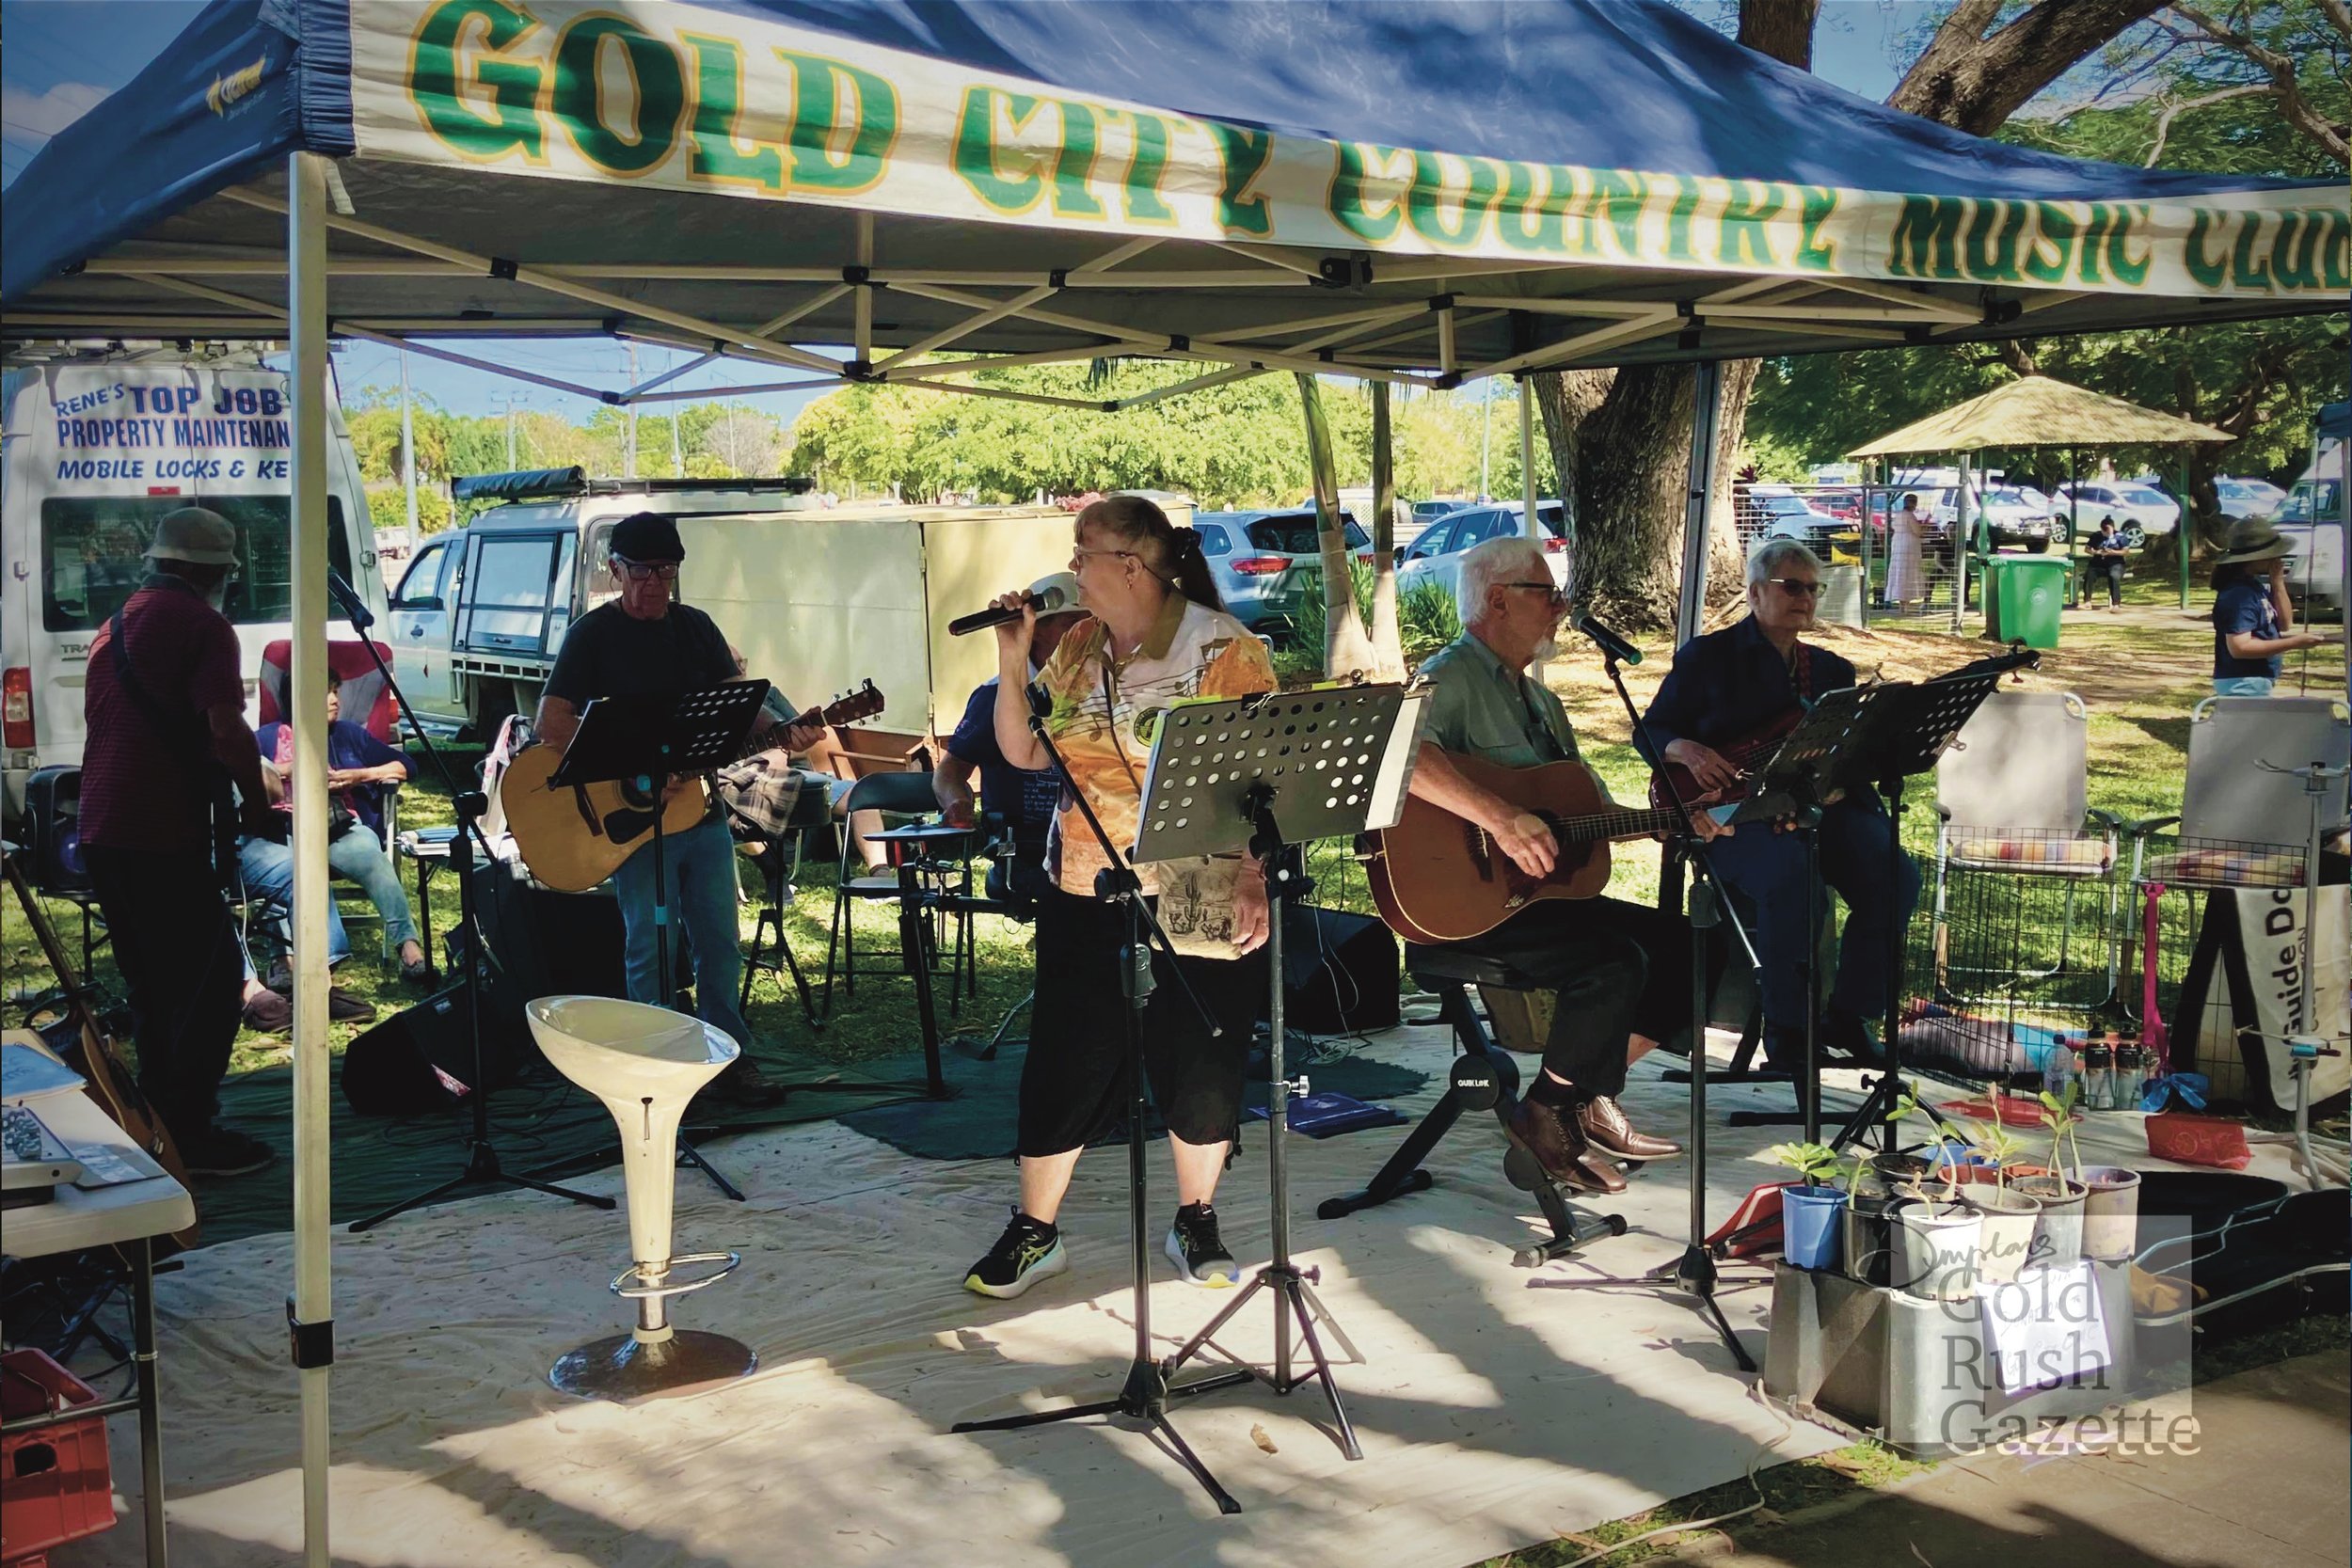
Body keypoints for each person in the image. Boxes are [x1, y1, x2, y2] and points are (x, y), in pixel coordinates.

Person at [961, 497, 1275, 1299]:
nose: (1072, 569)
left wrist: (1246, 877)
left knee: (1198, 1053)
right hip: (1084, 877)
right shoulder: (1079, 651)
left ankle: (1195, 1217)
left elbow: (1256, 781)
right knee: (1068, 1051)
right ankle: (1036, 1229)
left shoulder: (1220, 648)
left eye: (1082, 554)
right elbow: (1025, 752)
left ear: (1130, 566)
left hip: (1196, 876)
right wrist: (1013, 655)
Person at [1406, 536, 1713, 1195]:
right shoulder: (1447, 677)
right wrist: (1499, 819)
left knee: (1689, 951)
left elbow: (1583, 805)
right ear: (1497, 601)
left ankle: (1578, 1095)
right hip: (1468, 901)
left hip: (1538, 898)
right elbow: (1402, 760)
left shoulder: (1541, 702)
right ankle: (1548, 1112)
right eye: (1547, 593)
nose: (1561, 607)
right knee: (1613, 961)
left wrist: (1665, 819)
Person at [534, 512, 824, 1107]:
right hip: (635, 825)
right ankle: (654, 1059)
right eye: (640, 573)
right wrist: (634, 771)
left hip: (701, 811)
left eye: (665, 572)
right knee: (651, 944)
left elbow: (739, 709)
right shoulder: (593, 636)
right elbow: (552, 723)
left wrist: (783, 730)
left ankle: (726, 1057)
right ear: (615, 570)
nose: (653, 585)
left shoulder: (695, 628)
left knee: (719, 938)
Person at [1642, 538, 1921, 1072]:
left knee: (1893, 877)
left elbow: (1843, 749)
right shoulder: (1708, 658)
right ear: (1753, 593)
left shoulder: (1832, 670)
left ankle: (1850, 1015)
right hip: (1728, 817)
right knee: (1795, 879)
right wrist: (1688, 750)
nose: (1805, 599)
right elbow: (1651, 731)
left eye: (1812, 590)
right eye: (1790, 586)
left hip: (1816, 810)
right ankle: (1787, 1029)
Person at [78, 508, 279, 1177]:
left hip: (103, 826)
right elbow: (225, 729)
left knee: (153, 987)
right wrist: (257, 803)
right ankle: (190, 1132)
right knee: (216, 982)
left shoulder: (119, 623)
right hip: (159, 830)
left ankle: (160, 1123)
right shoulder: (204, 626)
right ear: (214, 572)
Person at [236, 686, 429, 990]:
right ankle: (282, 957)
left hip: (336, 828)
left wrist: (359, 776)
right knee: (281, 864)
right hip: (281, 829)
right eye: (325, 691)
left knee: (371, 857)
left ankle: (408, 946)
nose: (335, 699)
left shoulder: (347, 734)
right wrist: (284, 770)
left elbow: (406, 765)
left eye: (336, 691)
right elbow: (243, 781)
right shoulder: (267, 737)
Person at [933, 571, 1088, 904]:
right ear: (1036, 629)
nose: (1084, 633)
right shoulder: (992, 696)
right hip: (1023, 848)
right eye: (1071, 623)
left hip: (1088, 840)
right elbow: (950, 770)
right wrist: (957, 802)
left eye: (1089, 622)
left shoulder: (1100, 688)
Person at [2210, 518, 2334, 696]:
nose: (2278, 558)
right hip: (2242, 682)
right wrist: (2294, 643)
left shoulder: (2254, 587)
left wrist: (2278, 583)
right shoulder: (2238, 595)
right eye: (2273, 553)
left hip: (2256, 680)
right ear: (2255, 557)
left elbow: (2285, 623)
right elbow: (2239, 648)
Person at [1883, 493, 1927, 610]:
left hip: (1897, 543)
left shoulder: (1898, 515)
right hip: (1908, 546)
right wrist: (1924, 526)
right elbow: (1917, 532)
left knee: (1899, 570)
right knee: (1908, 571)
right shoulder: (1910, 516)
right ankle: (1905, 601)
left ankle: (1902, 601)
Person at [2083, 517, 2129, 610]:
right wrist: (2096, 552)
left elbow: (2125, 552)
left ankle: (2116, 603)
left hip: (2115, 563)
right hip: (2099, 563)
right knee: (2090, 574)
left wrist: (2112, 552)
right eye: (2104, 531)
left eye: (2108, 531)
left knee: (2114, 576)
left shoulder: (2120, 536)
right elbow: (2087, 549)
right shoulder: (2096, 536)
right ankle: (2087, 601)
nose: (2106, 533)